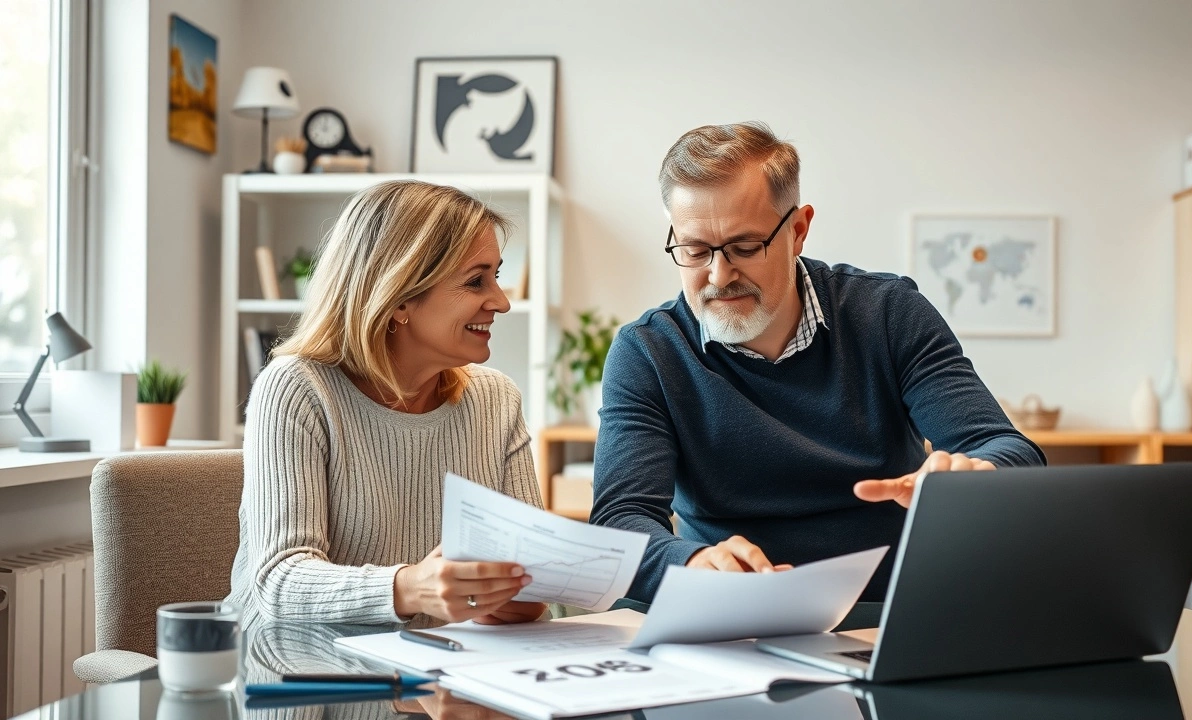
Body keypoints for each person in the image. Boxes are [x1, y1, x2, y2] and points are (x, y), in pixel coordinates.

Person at [590, 122, 1046, 603]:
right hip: (731, 612)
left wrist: (976, 473)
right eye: (695, 250)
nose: (719, 275)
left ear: (799, 229)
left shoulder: (888, 314)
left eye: (746, 247)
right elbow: (621, 517)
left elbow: (1006, 448)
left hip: (886, 610)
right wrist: (691, 562)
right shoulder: (648, 352)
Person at [227, 180, 545, 627]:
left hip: (437, 677)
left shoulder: (496, 399)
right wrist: (412, 587)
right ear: (398, 299)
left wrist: (525, 592)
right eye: (476, 281)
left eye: (496, 275)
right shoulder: (296, 390)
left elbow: (529, 588)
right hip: (302, 676)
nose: (502, 301)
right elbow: (279, 581)